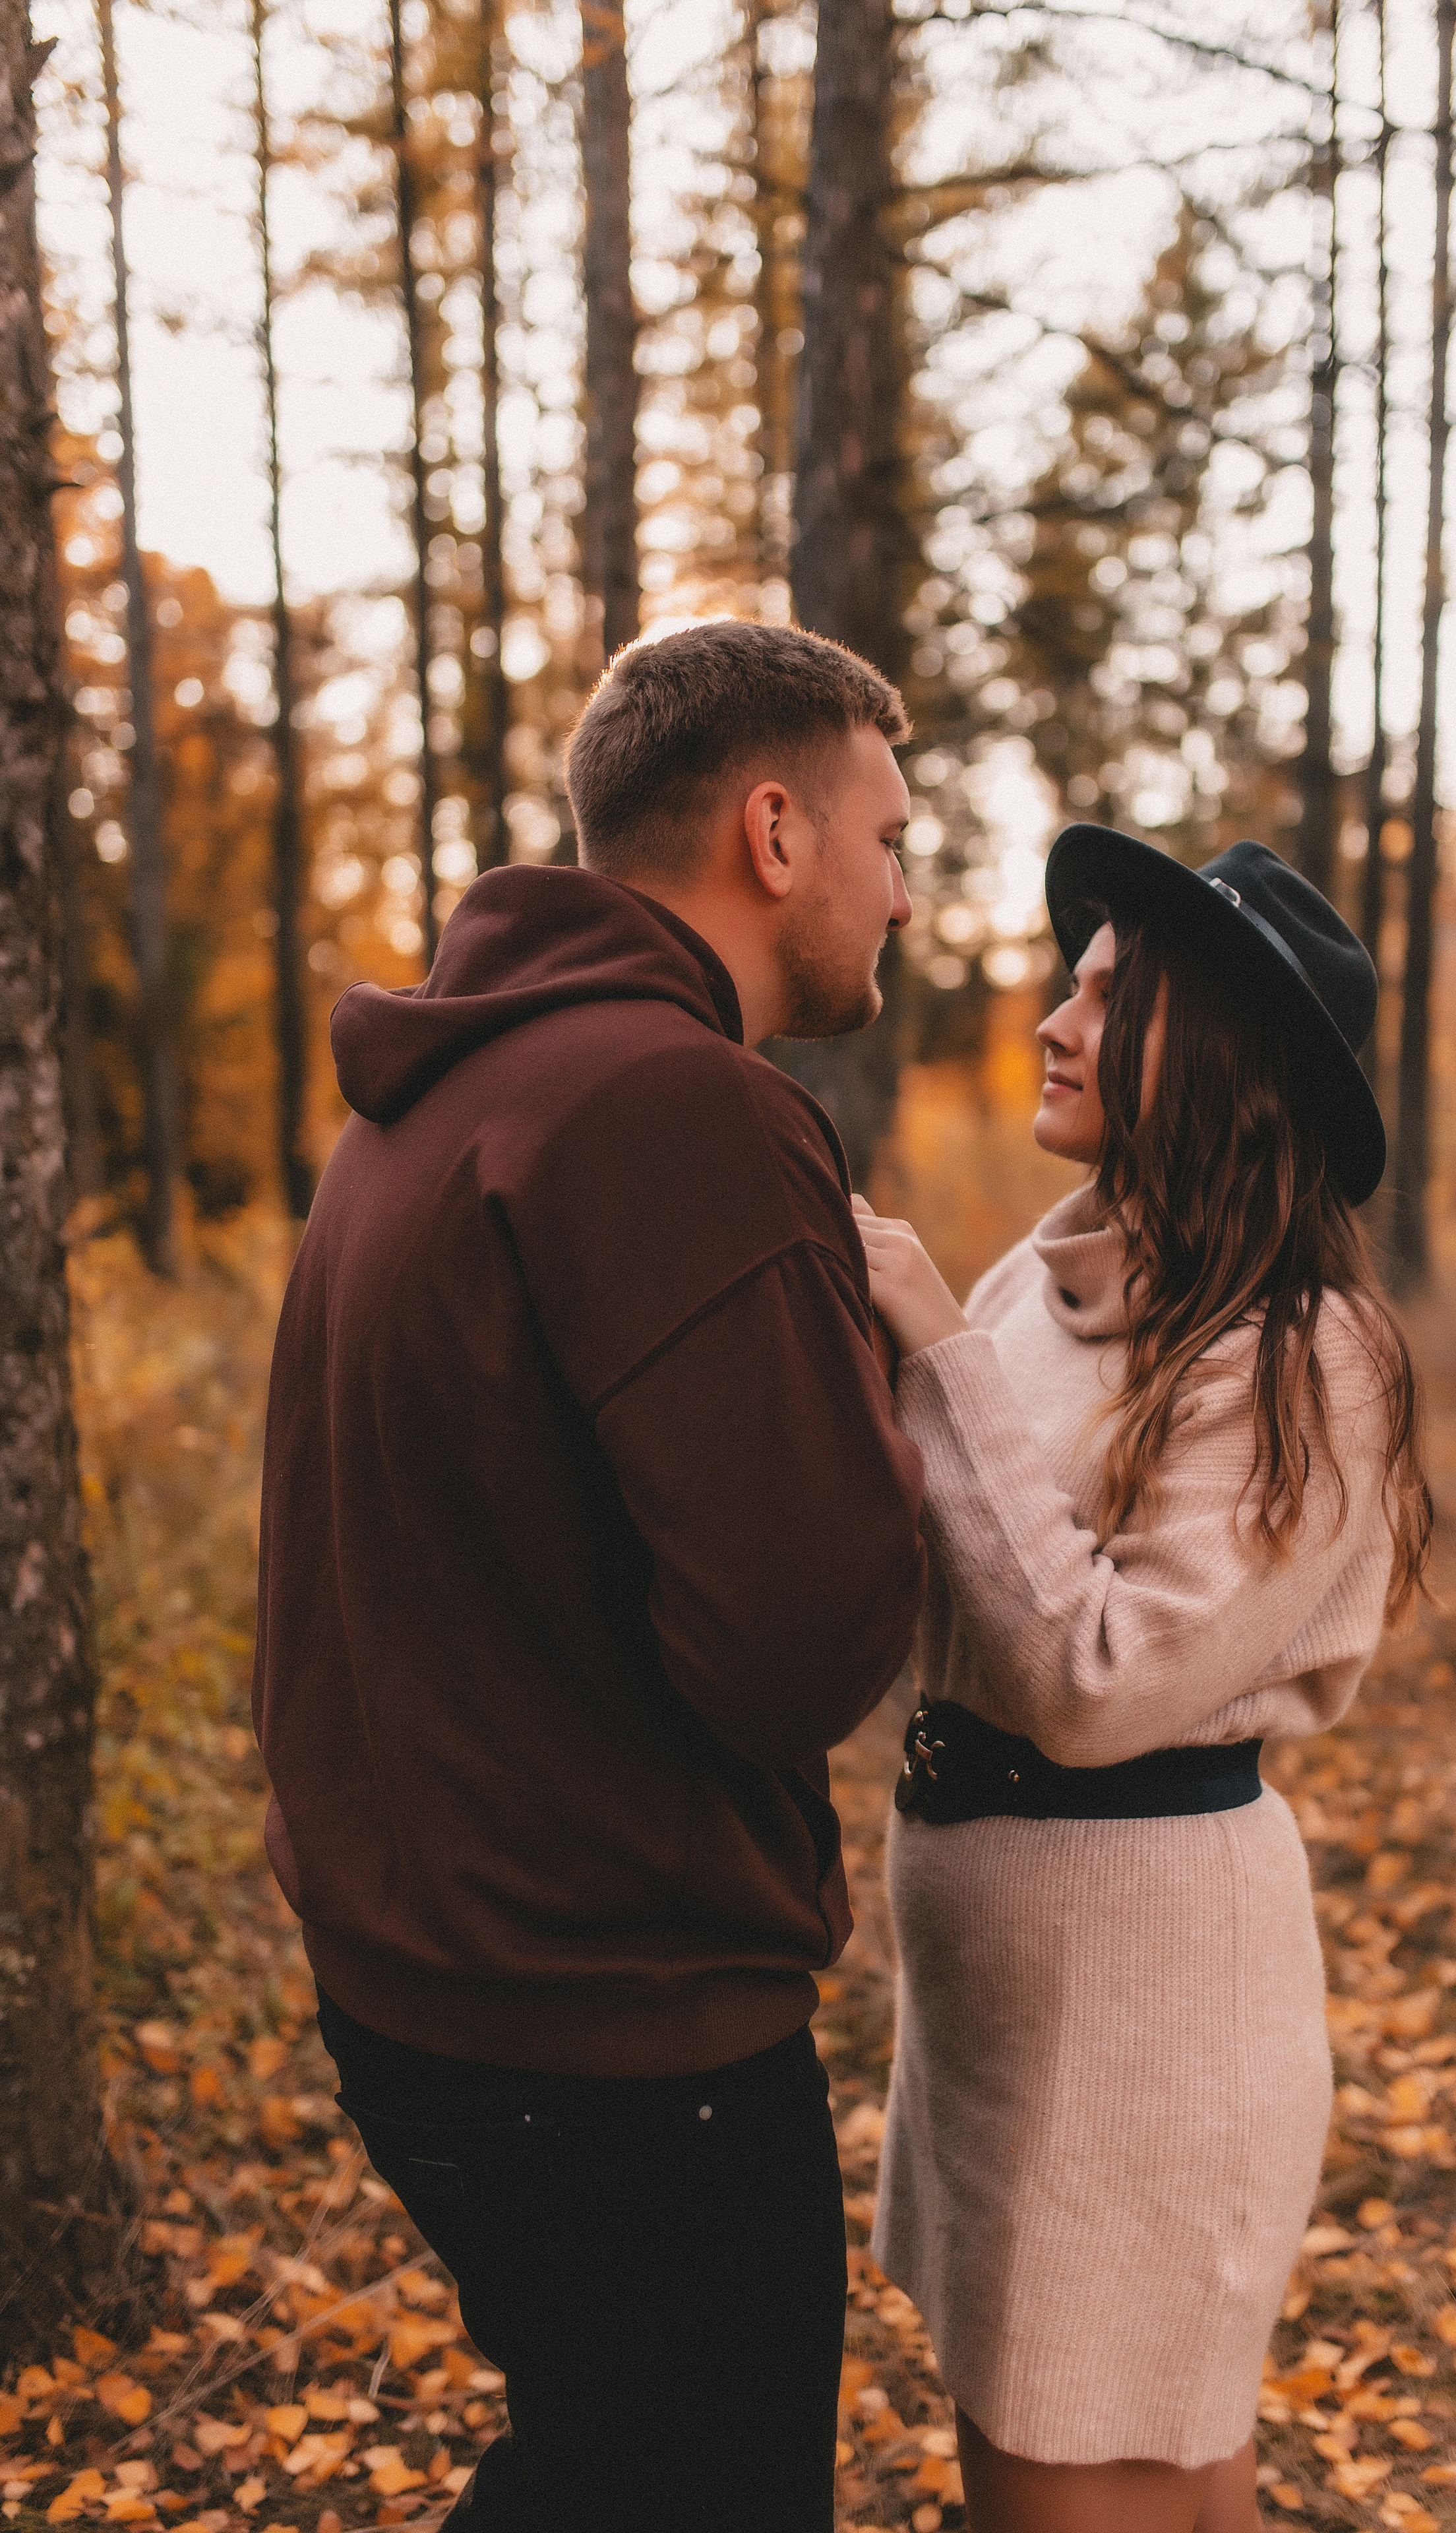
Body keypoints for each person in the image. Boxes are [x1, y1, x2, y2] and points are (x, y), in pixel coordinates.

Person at [251, 621, 928, 2533]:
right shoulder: (679, 1111)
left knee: (600, 2466)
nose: (905, 894)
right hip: (619, 2032)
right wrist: (884, 1396)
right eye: (890, 838)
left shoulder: (432, 1100)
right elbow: (803, 1641)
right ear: (774, 833)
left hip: (429, 1988)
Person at [855, 828, 1433, 2533]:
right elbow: (958, 1569)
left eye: (1111, 998)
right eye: (1074, 981)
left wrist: (935, 1353)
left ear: (1221, 1056)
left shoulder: (1306, 1356)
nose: (1055, 1018)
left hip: (1145, 2026)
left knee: (1087, 2469)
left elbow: (1098, 1680)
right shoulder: (1039, 1285)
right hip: (997, 2004)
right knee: (1136, 2477)